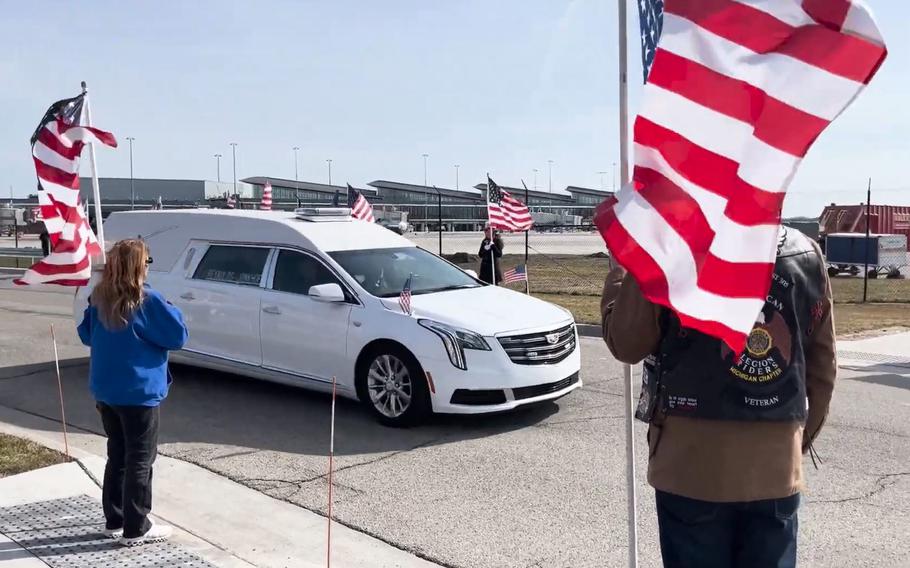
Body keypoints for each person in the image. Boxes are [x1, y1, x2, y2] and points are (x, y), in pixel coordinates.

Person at [601, 228, 836, 568]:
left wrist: (624, 267)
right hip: (775, 464)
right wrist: (792, 442)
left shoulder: (669, 246)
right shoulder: (807, 252)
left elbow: (627, 341)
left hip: (690, 465)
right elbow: (823, 369)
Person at [77, 239, 188, 547]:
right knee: (140, 458)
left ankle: (115, 519)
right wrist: (172, 308)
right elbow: (177, 336)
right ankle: (136, 526)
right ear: (139, 266)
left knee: (118, 454)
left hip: (106, 390)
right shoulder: (147, 300)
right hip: (138, 391)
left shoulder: (98, 298)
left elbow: (86, 335)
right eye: (147, 262)